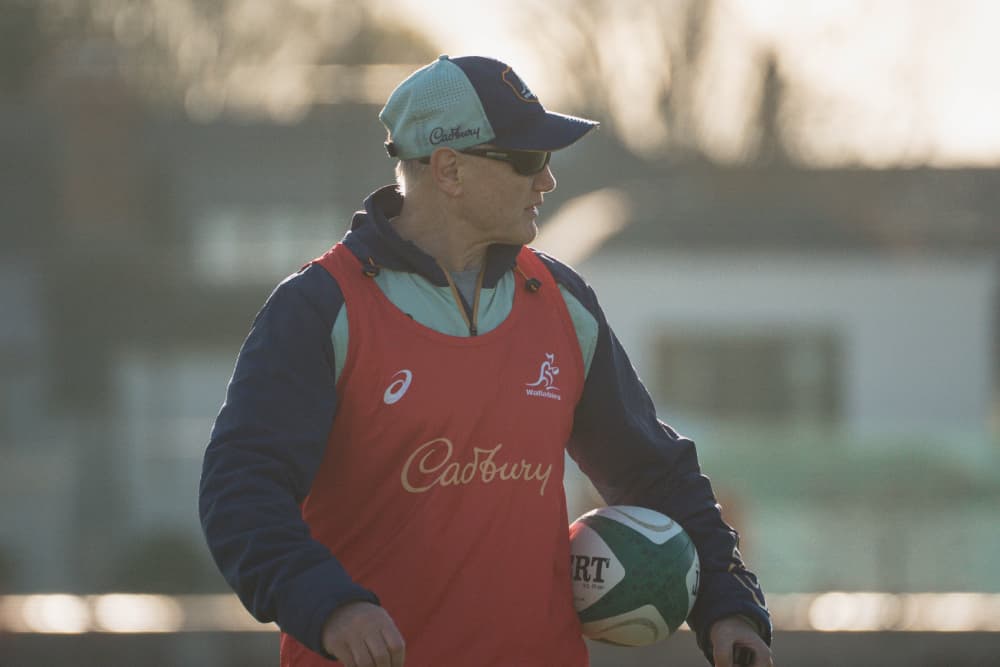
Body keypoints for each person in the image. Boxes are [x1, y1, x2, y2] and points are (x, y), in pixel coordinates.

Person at [199, 54, 774, 667]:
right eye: (527, 160)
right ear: (448, 169)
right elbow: (241, 490)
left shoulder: (562, 302)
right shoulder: (318, 309)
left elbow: (655, 473)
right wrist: (331, 605)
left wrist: (726, 603)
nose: (546, 182)